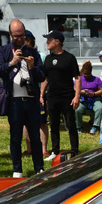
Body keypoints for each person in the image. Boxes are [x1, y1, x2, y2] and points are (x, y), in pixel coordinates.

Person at [0, 19, 46, 177]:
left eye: (22, 35)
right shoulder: (3, 51)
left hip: (31, 101)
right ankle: (17, 170)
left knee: (35, 137)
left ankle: (39, 168)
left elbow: (42, 76)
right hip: (14, 101)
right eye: (16, 36)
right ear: (10, 34)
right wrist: (12, 62)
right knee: (15, 138)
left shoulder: (32, 52)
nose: (19, 38)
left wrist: (32, 67)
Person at [40, 30, 81, 158]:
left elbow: (77, 78)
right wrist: (41, 95)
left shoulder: (69, 58)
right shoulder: (48, 58)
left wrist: (77, 96)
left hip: (67, 96)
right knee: (54, 124)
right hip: (52, 96)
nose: (47, 42)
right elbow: (46, 79)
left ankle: (74, 151)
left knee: (71, 124)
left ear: (57, 42)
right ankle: (55, 151)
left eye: (49, 39)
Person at [78, 61, 102, 133]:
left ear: (91, 72)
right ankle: (79, 127)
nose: (87, 76)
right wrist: (81, 91)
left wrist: (94, 94)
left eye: (88, 74)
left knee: (99, 108)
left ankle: (95, 126)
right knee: (78, 110)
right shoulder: (79, 79)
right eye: (85, 74)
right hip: (83, 99)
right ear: (83, 72)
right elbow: (75, 88)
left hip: (95, 98)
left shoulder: (97, 79)